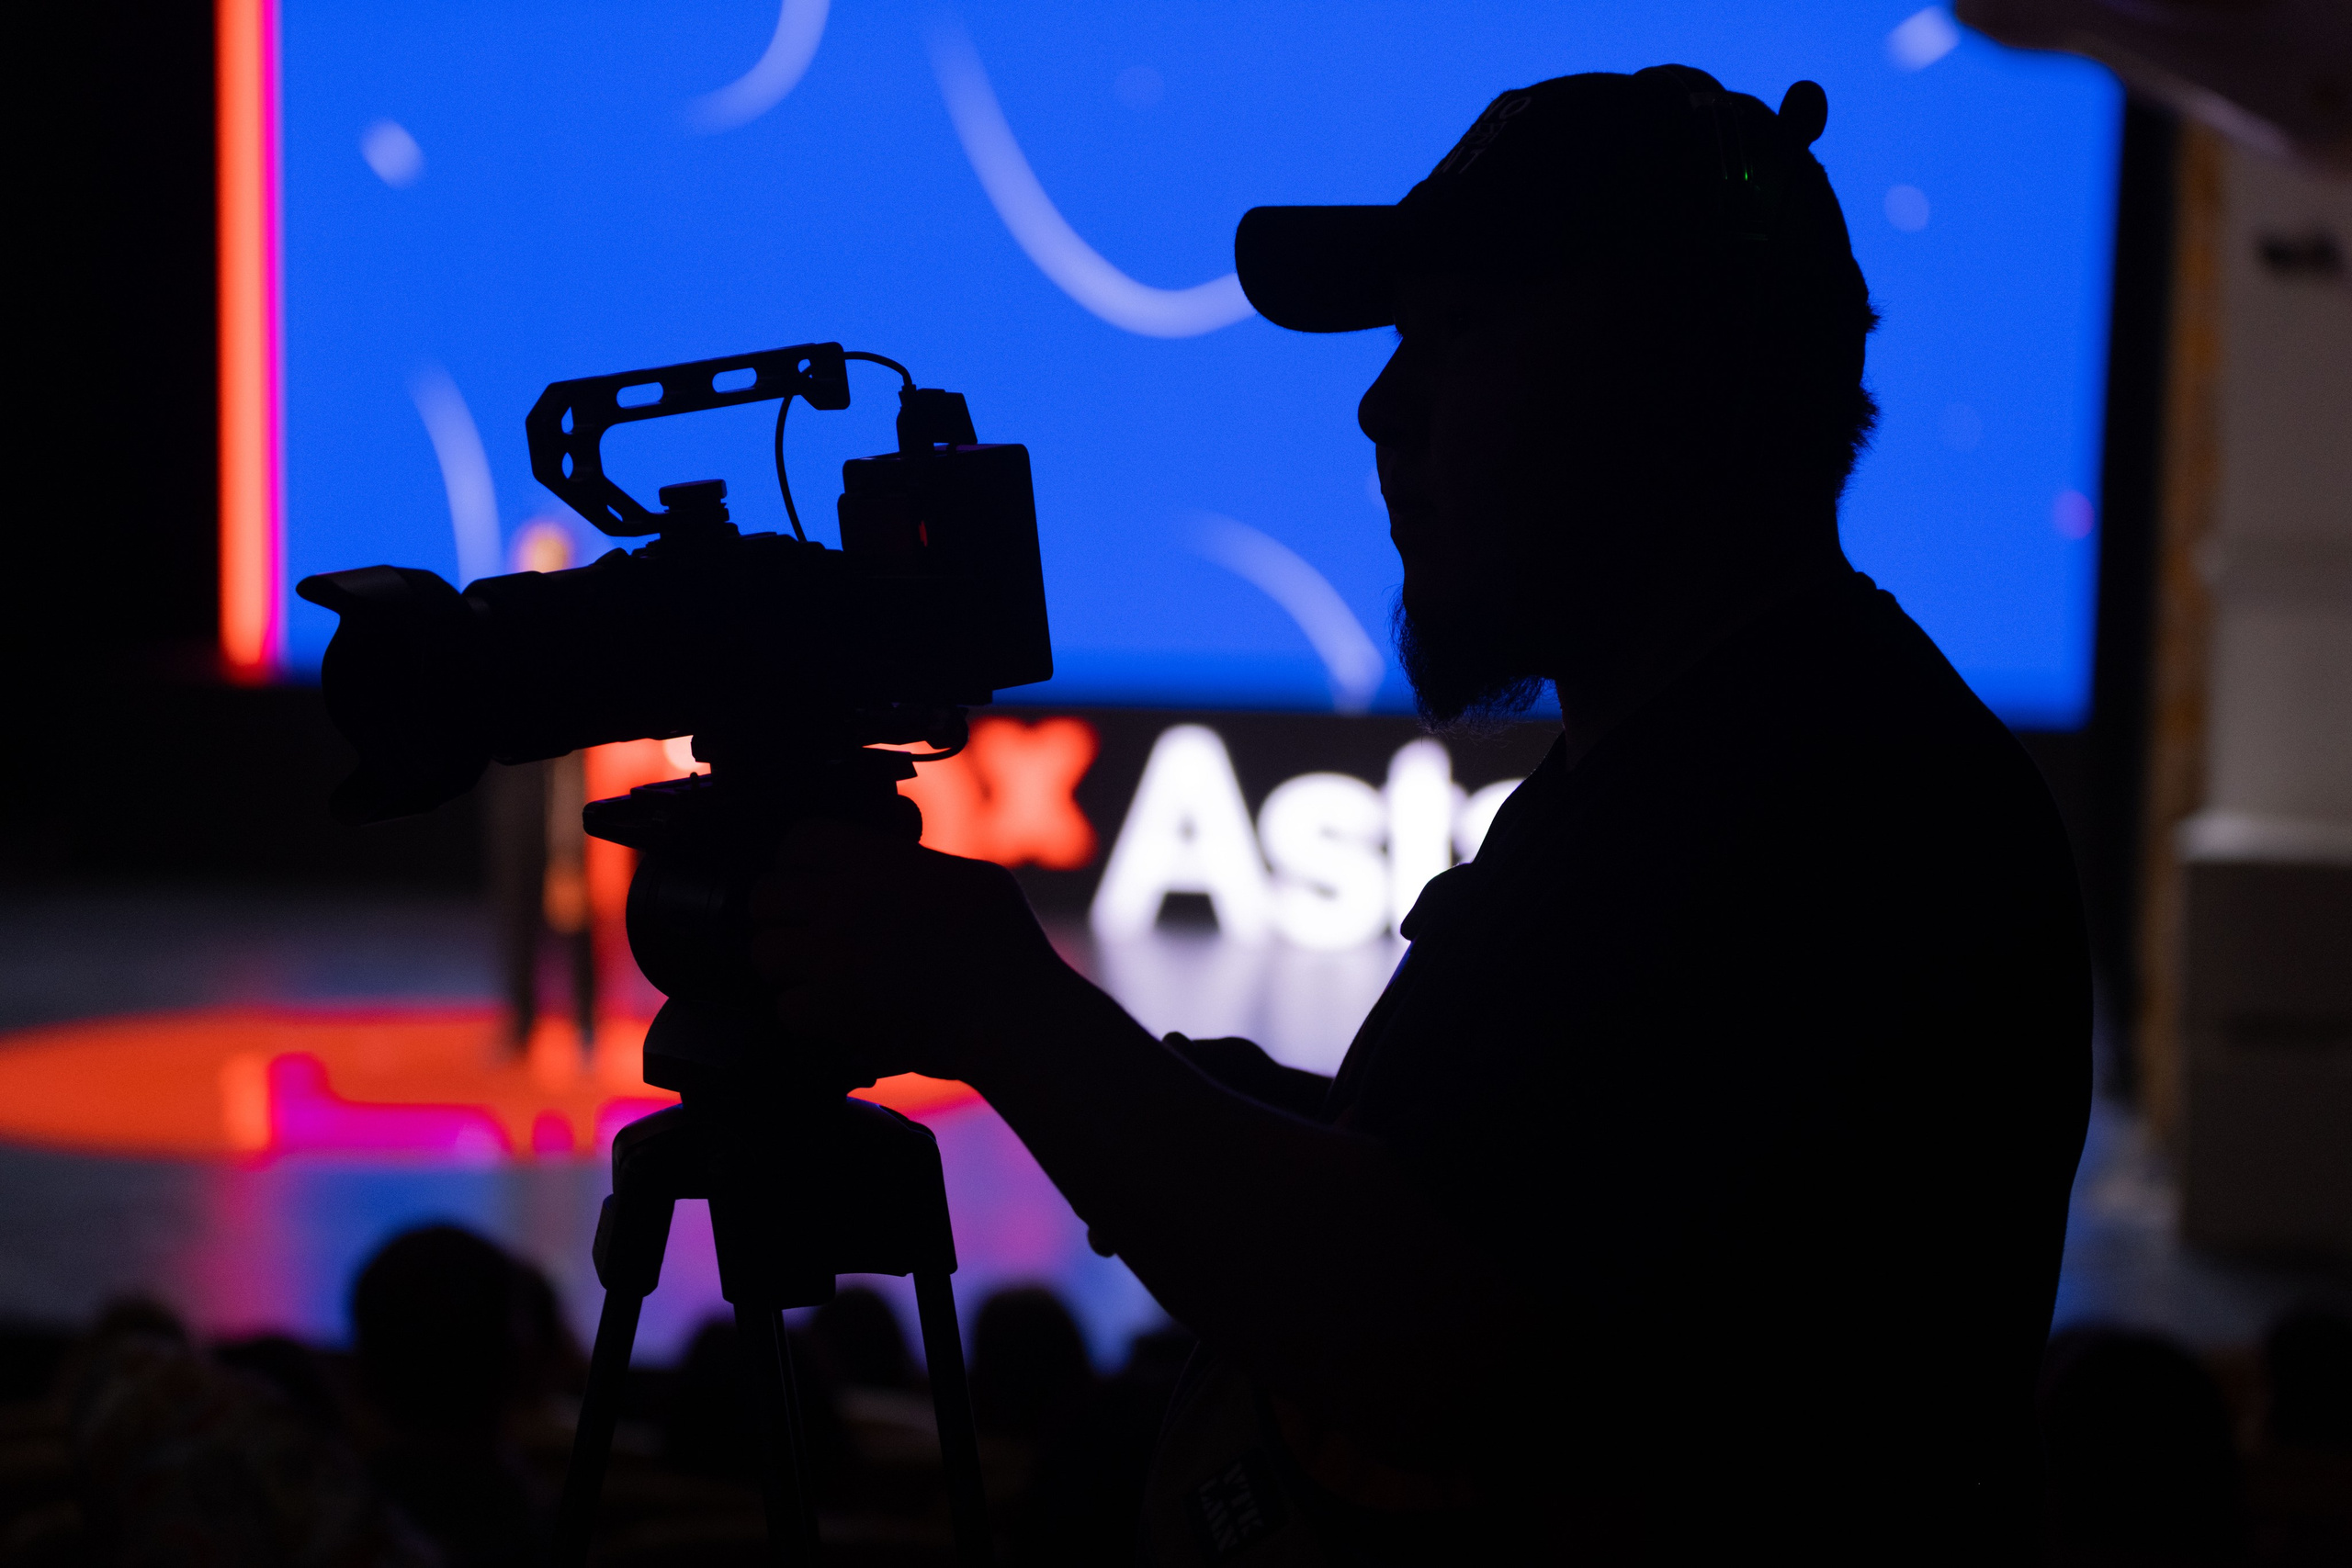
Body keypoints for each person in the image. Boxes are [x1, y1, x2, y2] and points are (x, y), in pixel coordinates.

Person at [751, 66, 2089, 1562]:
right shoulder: (1706, 762)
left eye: (1457, 336)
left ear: (1670, 390)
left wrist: (1004, 1013)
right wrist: (1233, 1111)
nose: (1385, 405)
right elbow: (1559, 1216)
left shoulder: (1852, 818)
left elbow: (1449, 1349)